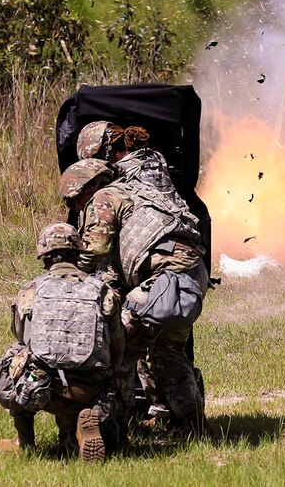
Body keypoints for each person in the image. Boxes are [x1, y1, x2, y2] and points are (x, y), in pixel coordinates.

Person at [57, 128, 213, 439]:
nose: (76, 209)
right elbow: (119, 263)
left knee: (118, 348)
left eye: (76, 201)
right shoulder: (152, 175)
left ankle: (112, 429)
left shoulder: (107, 196)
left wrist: (63, 279)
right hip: (191, 276)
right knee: (167, 354)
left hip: (163, 282)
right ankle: (194, 429)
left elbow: (94, 253)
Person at [0, 223, 124, 461]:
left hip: (39, 385)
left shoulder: (31, 290)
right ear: (79, 253)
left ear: (44, 256)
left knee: (10, 360)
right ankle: (85, 428)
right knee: (107, 439)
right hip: (90, 387)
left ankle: (24, 442)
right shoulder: (103, 291)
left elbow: (22, 337)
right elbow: (117, 346)